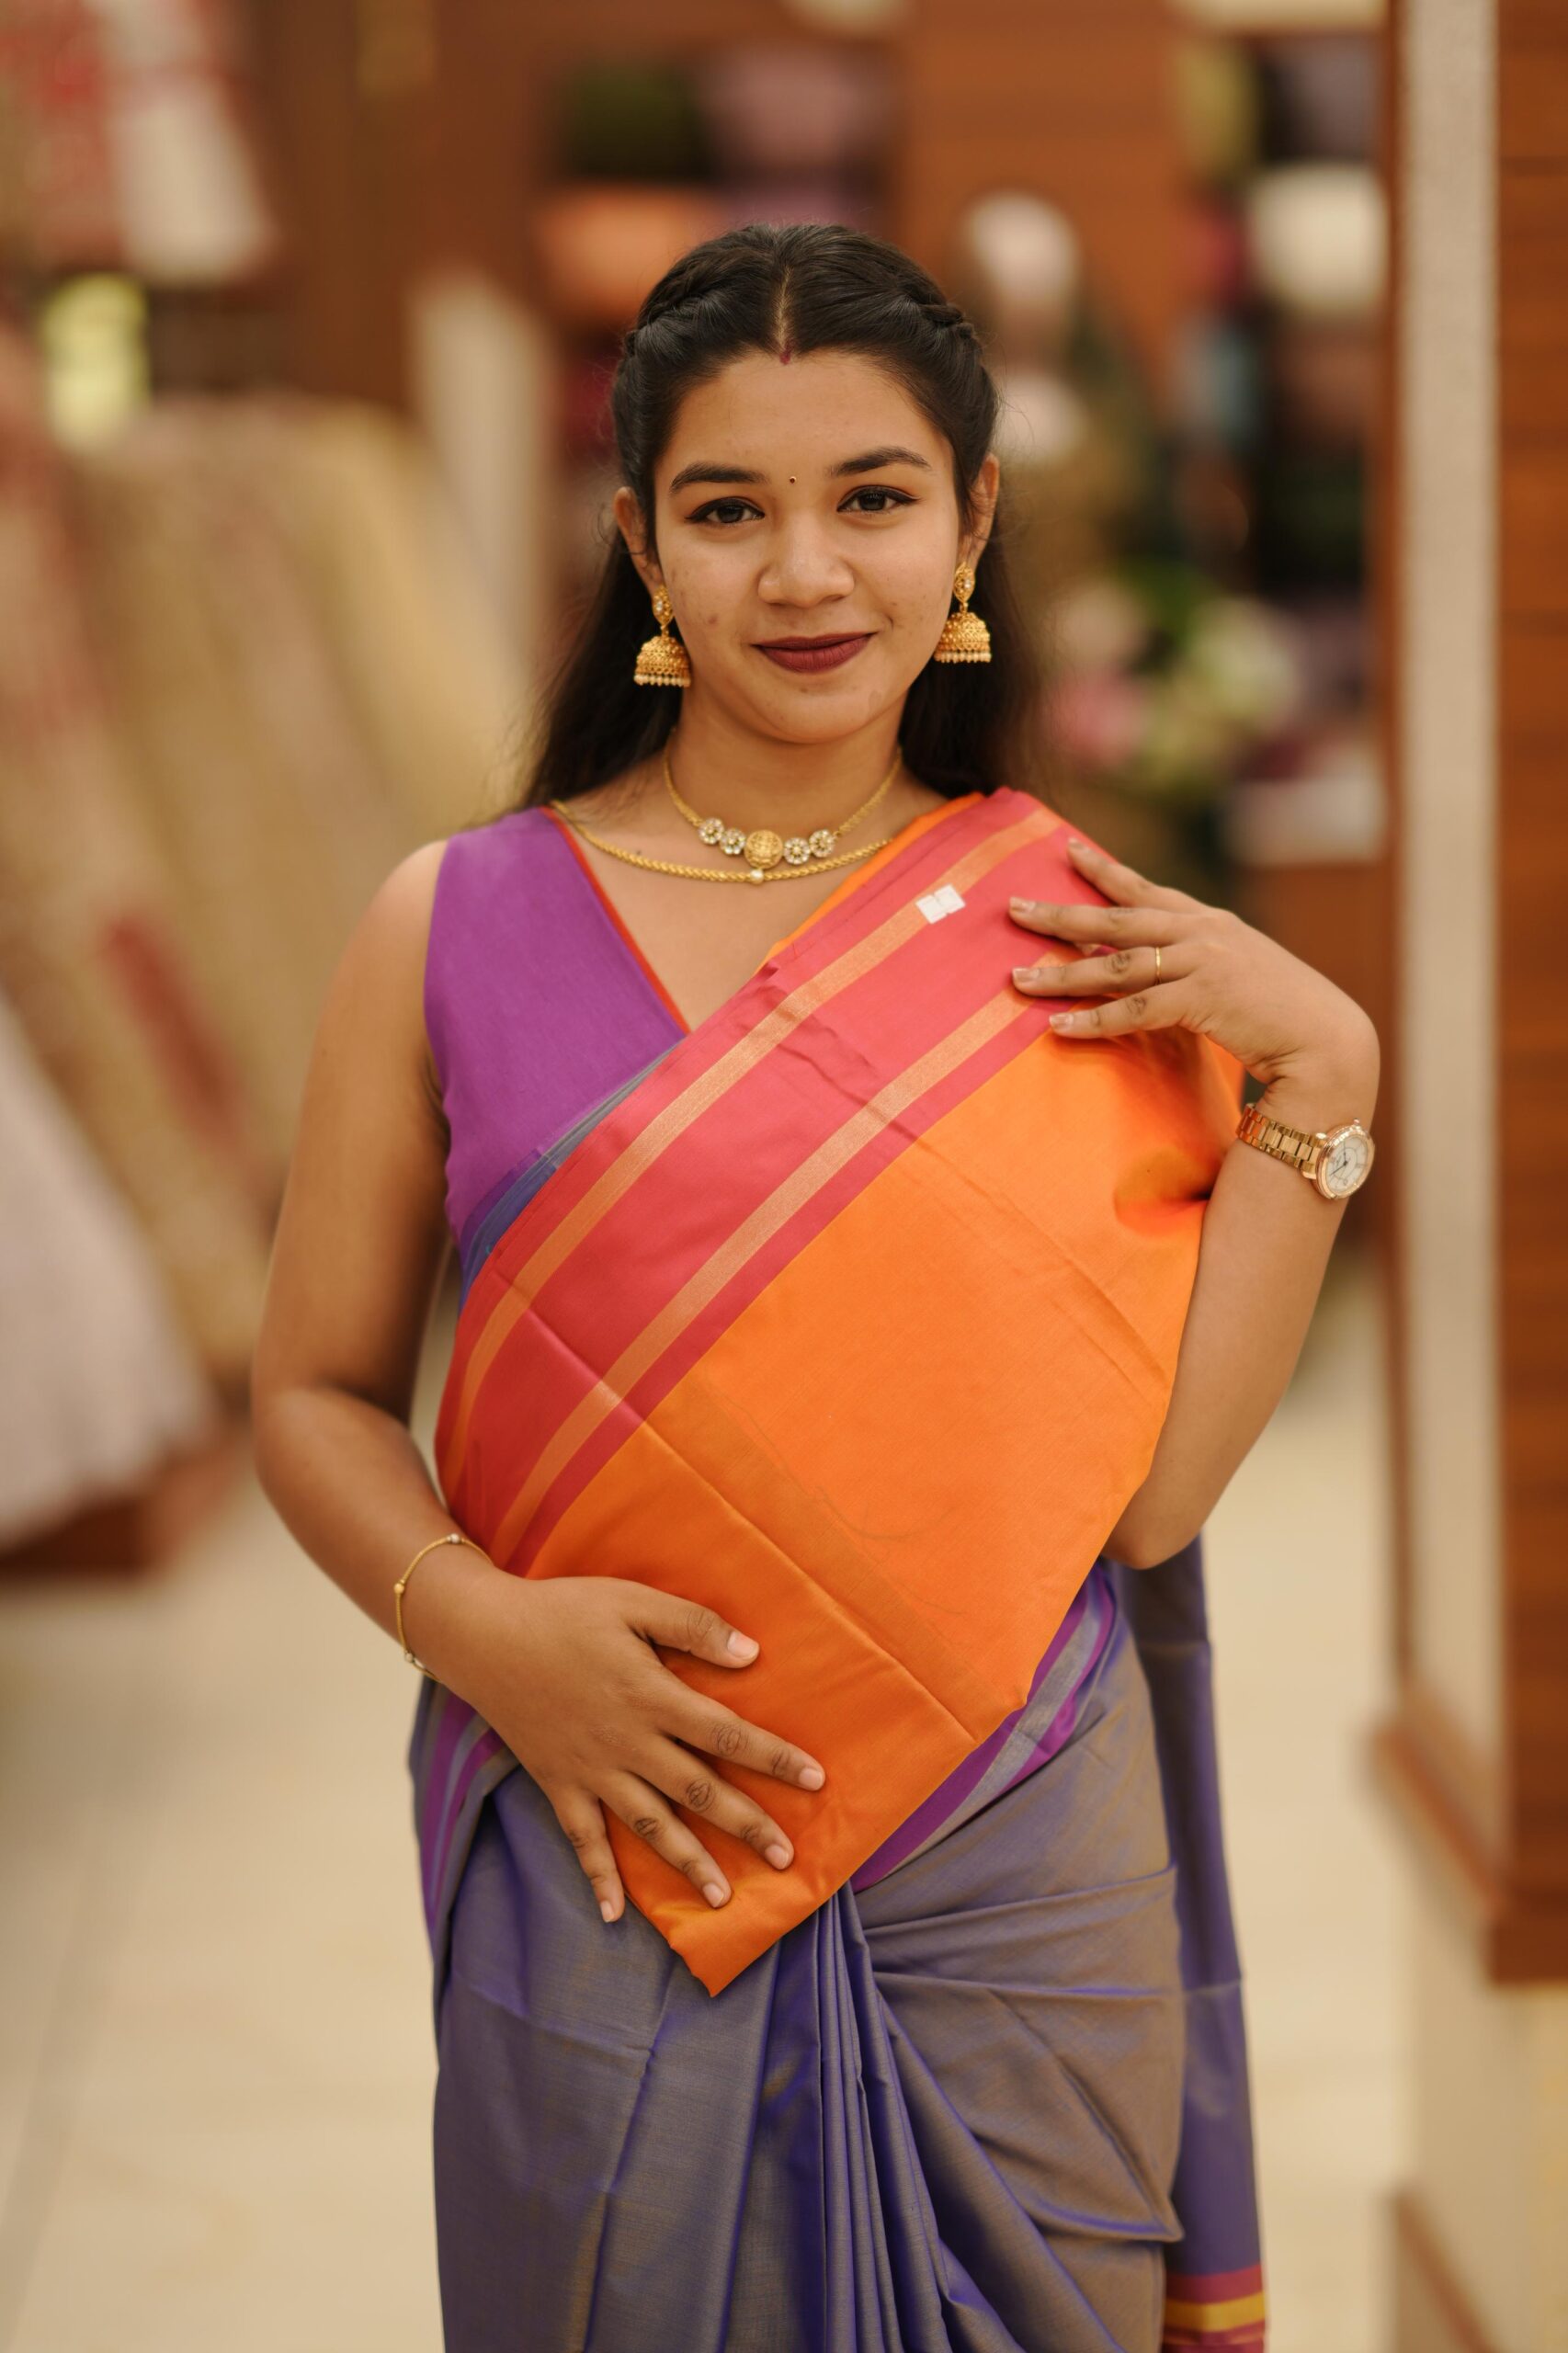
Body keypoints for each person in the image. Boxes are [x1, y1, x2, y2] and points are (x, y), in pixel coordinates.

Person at [251, 222, 1379, 2353]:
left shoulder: (1079, 936)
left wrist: (1323, 1075)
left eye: (870, 496)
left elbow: (1148, 1501)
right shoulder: (453, 923)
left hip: (1015, 1859)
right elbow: (311, 1392)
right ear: (636, 543)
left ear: (971, 520)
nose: (803, 573)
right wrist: (483, 1630)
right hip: (608, 1831)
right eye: (726, 508)